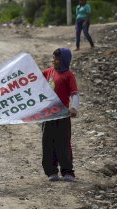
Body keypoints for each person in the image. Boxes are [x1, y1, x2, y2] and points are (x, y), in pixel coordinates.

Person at [42, 48, 79, 182]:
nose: (54, 61)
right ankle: (51, 172)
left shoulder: (68, 75)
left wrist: (74, 108)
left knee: (63, 143)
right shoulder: (49, 72)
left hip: (62, 115)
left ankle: (67, 172)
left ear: (64, 61)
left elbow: (74, 93)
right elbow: (33, 79)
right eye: (53, 58)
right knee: (47, 142)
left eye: (57, 59)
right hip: (48, 115)